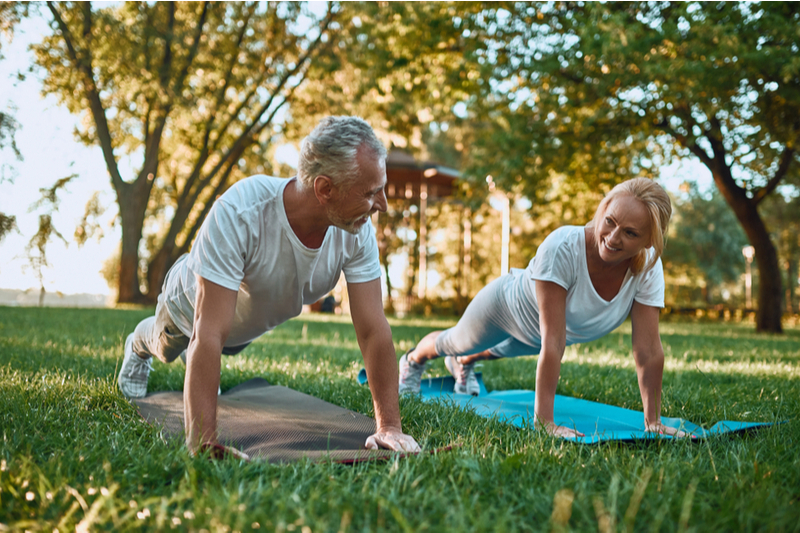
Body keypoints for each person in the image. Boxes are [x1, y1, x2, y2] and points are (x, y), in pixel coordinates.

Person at [118, 116, 420, 457]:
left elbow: (373, 329)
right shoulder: (241, 212)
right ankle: (137, 345)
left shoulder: (355, 230)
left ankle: (198, 361)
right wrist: (203, 443)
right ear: (324, 189)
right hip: (189, 307)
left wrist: (390, 427)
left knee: (223, 344)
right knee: (168, 346)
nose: (382, 205)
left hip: (241, 326)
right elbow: (208, 333)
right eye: (370, 193)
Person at [398, 178, 687, 438]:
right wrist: (545, 422)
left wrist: (653, 422)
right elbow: (553, 340)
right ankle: (413, 361)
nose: (612, 238)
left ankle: (465, 364)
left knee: (488, 352)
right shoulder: (563, 246)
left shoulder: (647, 267)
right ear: (601, 211)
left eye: (630, 233)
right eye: (609, 221)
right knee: (455, 342)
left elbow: (648, 349)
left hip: (537, 337)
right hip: (506, 308)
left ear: (650, 240)